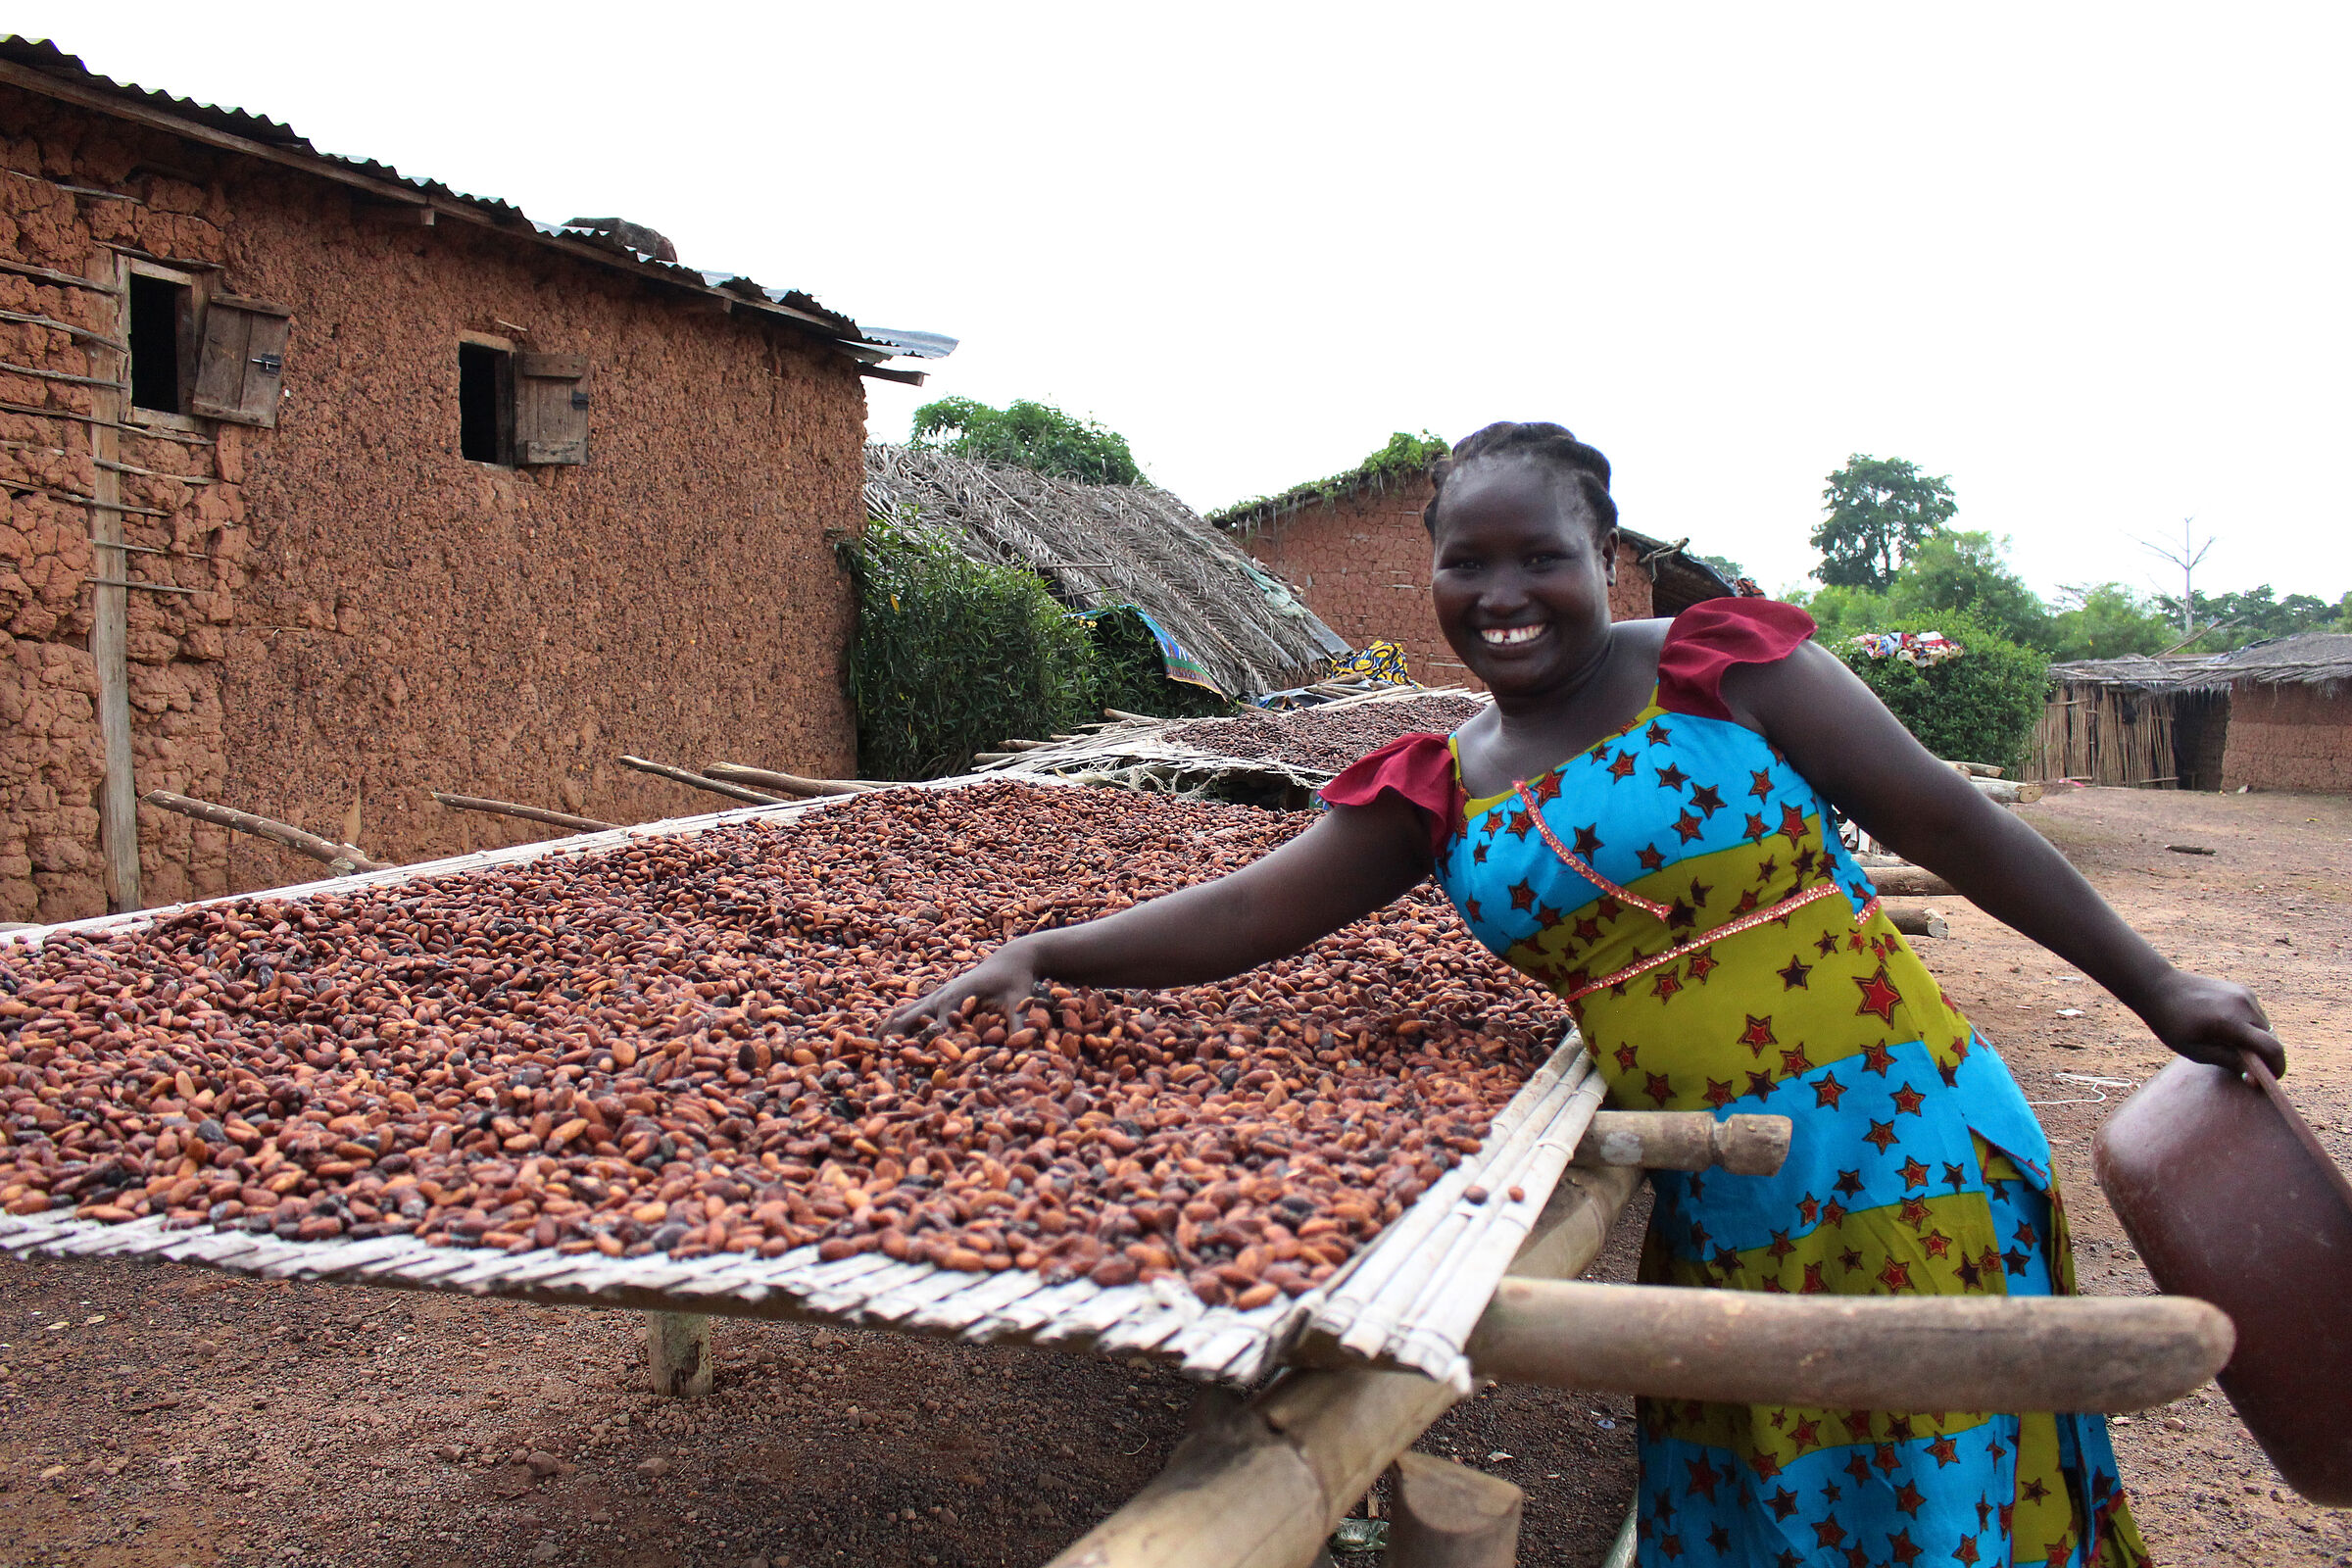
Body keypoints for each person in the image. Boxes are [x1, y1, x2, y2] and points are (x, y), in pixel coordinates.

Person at [887, 421, 2283, 1567]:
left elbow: (1949, 822)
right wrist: (1054, 951)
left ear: (1606, 557)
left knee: (1934, 1490)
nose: (1503, 595)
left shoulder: (1723, 673)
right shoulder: (1445, 782)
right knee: (1767, 1487)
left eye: (1542, 557)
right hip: (1724, 1192)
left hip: (1897, 1136)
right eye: (1466, 561)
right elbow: (1254, 909)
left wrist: (2159, 984)